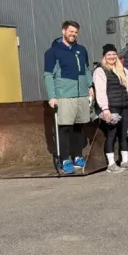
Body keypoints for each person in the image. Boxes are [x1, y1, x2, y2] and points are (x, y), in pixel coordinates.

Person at [43, 20, 93, 175]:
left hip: (81, 94)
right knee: (65, 127)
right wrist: (52, 96)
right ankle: (65, 159)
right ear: (63, 31)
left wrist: (90, 86)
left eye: (76, 32)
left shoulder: (81, 50)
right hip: (64, 94)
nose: (74, 34)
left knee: (79, 126)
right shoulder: (53, 52)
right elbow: (48, 75)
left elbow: (86, 69)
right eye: (71, 31)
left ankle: (77, 156)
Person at [93, 44, 128, 173]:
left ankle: (124, 161)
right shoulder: (100, 71)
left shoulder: (123, 70)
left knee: (124, 135)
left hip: (125, 106)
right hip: (112, 107)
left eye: (113, 54)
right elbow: (100, 91)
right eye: (108, 55)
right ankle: (111, 163)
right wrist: (105, 108)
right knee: (111, 134)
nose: (111, 57)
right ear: (104, 57)